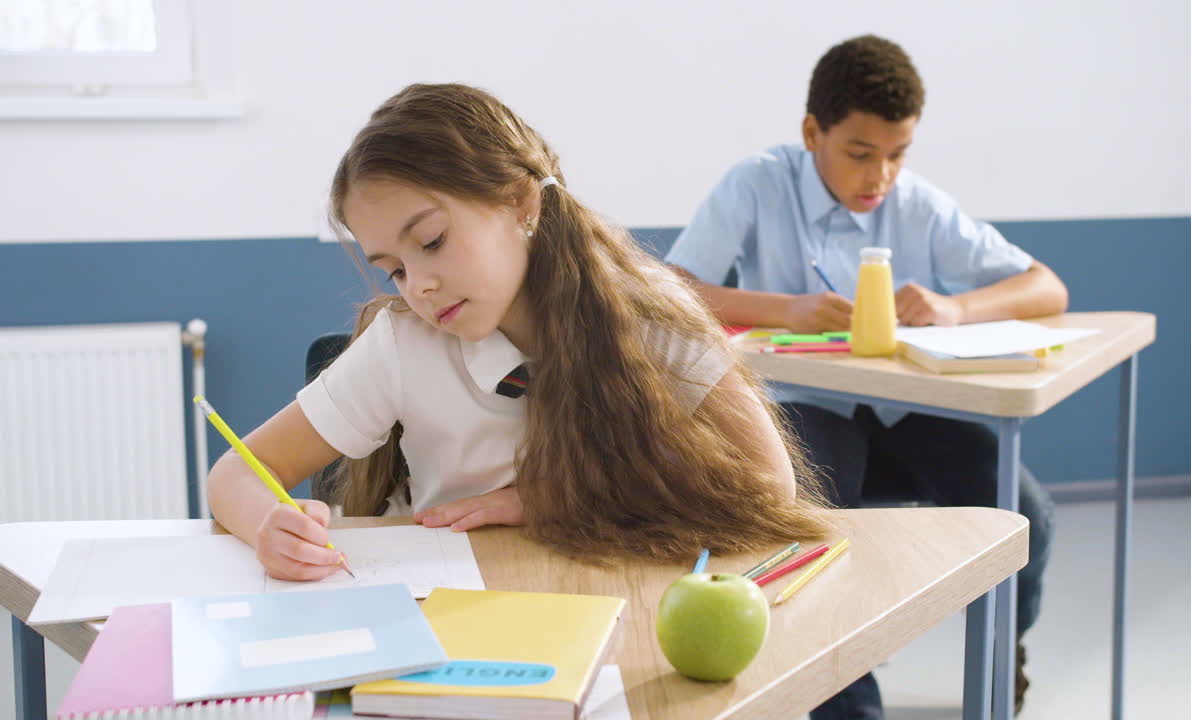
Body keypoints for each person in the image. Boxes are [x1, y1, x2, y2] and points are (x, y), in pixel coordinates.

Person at [207, 83, 832, 590]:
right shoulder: (402, 345)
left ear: (520, 203)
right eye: (394, 269)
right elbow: (236, 473)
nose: (417, 286)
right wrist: (269, 523)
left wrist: (554, 498)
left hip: (608, 599)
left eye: (430, 242)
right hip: (443, 618)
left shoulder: (653, 316)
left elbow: (768, 487)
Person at [665, 35, 1067, 717]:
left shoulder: (919, 204)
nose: (879, 176)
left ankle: (1004, 653)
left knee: (1026, 510)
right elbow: (669, 288)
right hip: (808, 405)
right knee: (819, 534)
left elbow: (1046, 286)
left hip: (905, 410)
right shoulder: (757, 183)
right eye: (859, 154)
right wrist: (782, 308)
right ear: (812, 133)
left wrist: (954, 306)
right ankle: (845, 704)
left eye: (897, 154)